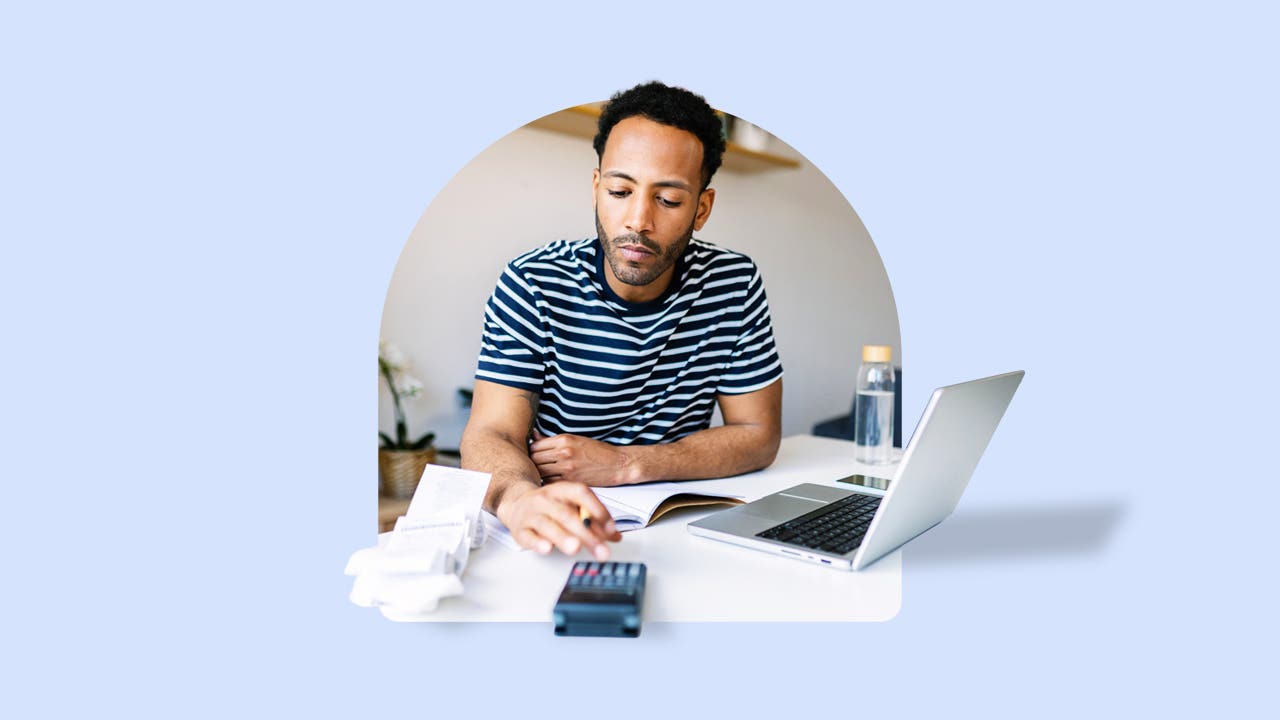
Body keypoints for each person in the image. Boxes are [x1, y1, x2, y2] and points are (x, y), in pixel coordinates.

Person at [460, 81, 783, 560]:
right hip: (559, 523)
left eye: (669, 201)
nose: (638, 220)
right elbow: (492, 433)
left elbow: (759, 436)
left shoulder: (733, 282)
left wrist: (625, 464)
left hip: (679, 524)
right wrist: (520, 500)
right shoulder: (532, 281)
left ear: (702, 208)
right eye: (619, 190)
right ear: (596, 189)